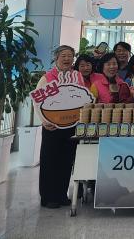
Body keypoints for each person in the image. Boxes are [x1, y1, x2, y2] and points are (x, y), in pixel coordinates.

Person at [38, 45, 79, 209]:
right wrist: (44, 121)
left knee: (66, 161)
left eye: (70, 56)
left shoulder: (76, 76)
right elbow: (38, 102)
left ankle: (62, 194)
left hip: (71, 125)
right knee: (50, 161)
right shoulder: (48, 78)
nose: (67, 59)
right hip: (52, 126)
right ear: (56, 58)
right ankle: (48, 197)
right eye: (63, 56)